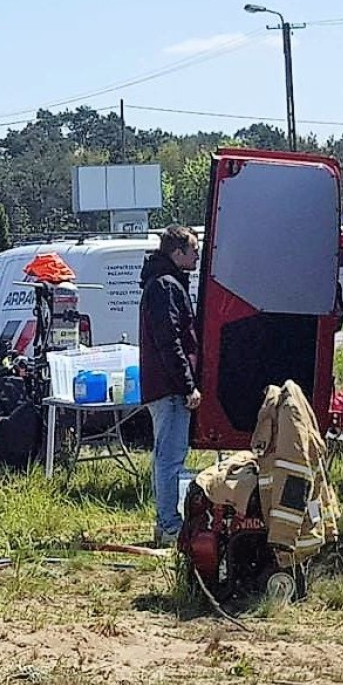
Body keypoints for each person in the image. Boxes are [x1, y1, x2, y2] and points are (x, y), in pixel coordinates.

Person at [138, 224, 201, 548]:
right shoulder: (165, 286)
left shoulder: (163, 283)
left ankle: (166, 524)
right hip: (170, 388)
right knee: (169, 459)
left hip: (164, 385)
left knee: (167, 457)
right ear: (177, 253)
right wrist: (187, 385)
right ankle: (170, 526)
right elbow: (170, 341)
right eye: (193, 250)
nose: (197, 256)